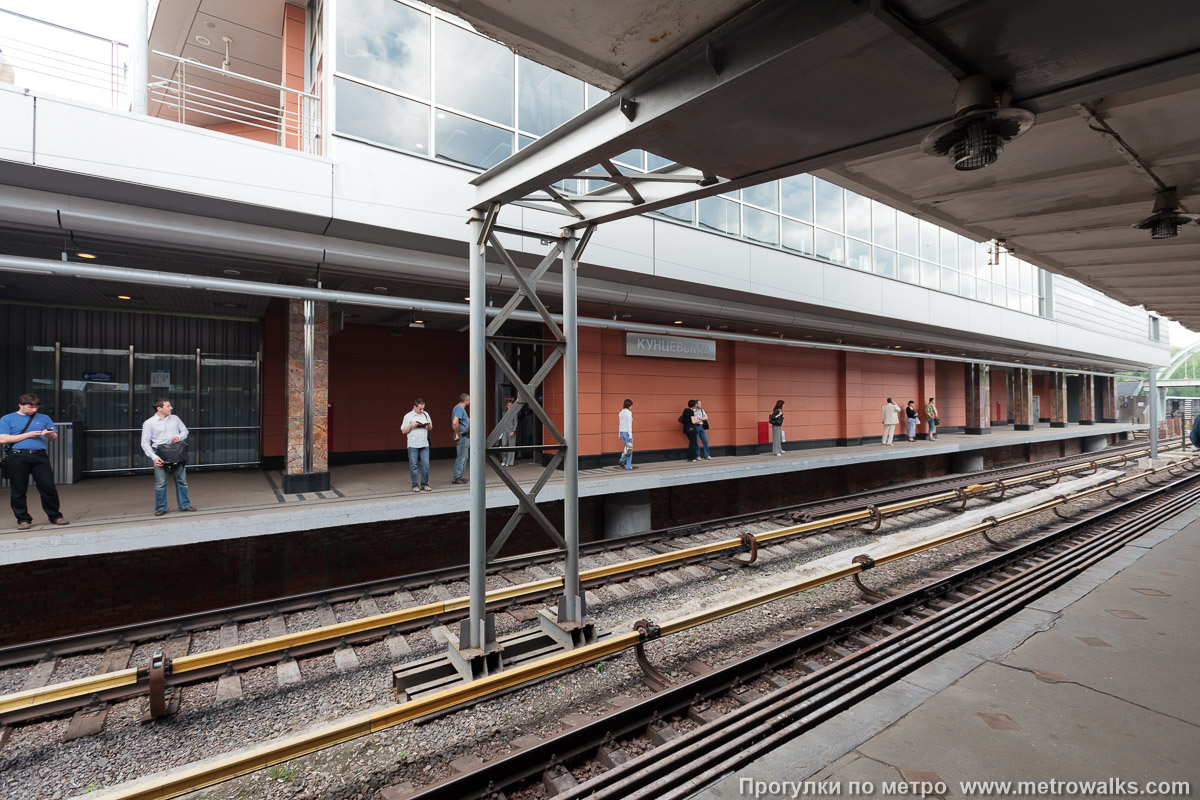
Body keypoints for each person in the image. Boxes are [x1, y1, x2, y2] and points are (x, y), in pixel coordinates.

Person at [1, 393, 67, 530]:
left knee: (48, 487)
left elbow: (53, 437)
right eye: (31, 407)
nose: (34, 410)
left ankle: (55, 516)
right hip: (17, 456)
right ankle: (23, 519)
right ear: (21, 405)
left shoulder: (44, 418)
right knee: (18, 489)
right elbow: (3, 439)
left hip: (39, 456)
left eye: (36, 406)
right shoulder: (7, 419)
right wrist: (28, 435)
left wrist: (49, 434)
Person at [141, 398, 195, 516]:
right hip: (160, 452)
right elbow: (144, 442)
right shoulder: (149, 423)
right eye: (168, 406)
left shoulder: (175, 418)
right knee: (161, 483)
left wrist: (179, 437)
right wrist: (154, 457)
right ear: (159, 408)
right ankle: (161, 507)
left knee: (182, 480)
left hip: (177, 450)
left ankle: (184, 505)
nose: (171, 408)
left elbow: (185, 431)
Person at [401, 398, 433, 491]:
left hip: (424, 443)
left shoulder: (426, 414)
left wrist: (429, 425)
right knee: (414, 465)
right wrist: (411, 425)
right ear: (414, 407)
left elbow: (431, 427)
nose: (422, 410)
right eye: (420, 409)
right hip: (413, 444)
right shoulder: (408, 416)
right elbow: (403, 431)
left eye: (423, 408)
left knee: (426, 465)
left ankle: (424, 484)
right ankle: (415, 485)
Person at [451, 393, 470, 484]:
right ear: (466, 400)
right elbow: (455, 422)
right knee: (461, 458)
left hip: (464, 435)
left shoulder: (459, 409)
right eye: (469, 400)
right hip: (462, 436)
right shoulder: (459, 408)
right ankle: (457, 477)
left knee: (464, 457)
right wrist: (457, 434)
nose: (470, 402)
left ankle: (460, 477)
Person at [617, 398, 635, 470]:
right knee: (629, 449)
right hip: (627, 433)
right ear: (629, 405)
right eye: (631, 405)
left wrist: (619, 434)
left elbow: (620, 424)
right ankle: (626, 464)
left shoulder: (621, 412)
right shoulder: (628, 413)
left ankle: (624, 462)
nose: (632, 407)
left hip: (622, 432)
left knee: (627, 449)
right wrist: (630, 435)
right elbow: (629, 425)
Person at [499, 399, 517, 467]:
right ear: (506, 406)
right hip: (504, 431)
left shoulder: (514, 413)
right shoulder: (504, 413)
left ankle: (509, 462)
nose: (509, 407)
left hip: (511, 431)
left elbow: (515, 422)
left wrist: (513, 430)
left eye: (511, 405)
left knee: (511, 446)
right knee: (504, 445)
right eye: (508, 405)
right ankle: (504, 460)